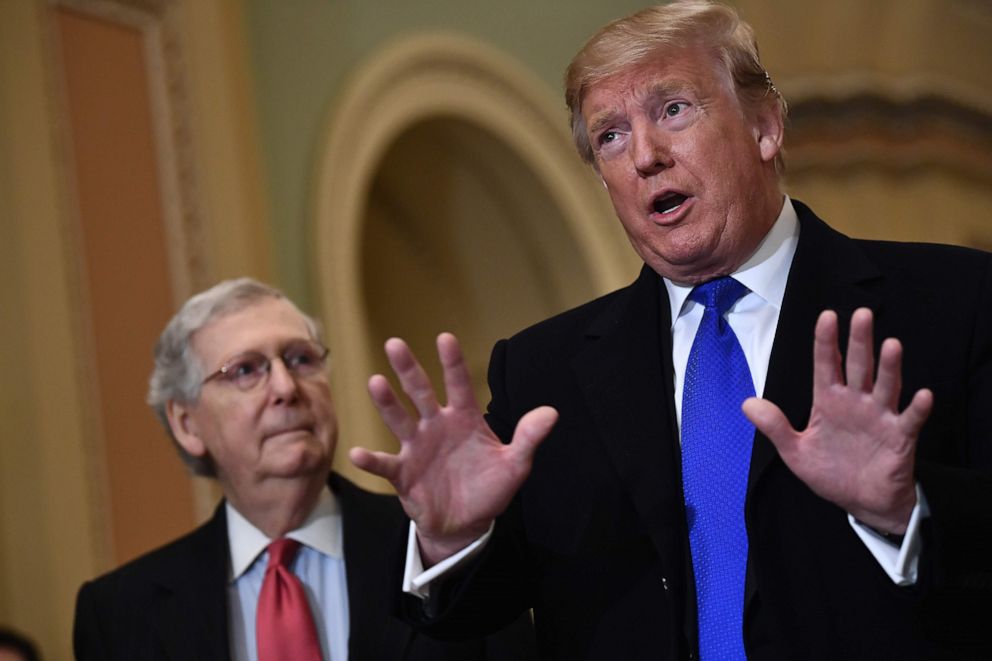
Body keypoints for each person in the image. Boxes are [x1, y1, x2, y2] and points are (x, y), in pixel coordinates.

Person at [350, 2, 992, 659]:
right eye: (611, 136)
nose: (646, 157)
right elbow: (474, 615)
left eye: (673, 109)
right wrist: (452, 537)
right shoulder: (543, 373)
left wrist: (904, 511)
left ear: (765, 125)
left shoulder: (957, 303)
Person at [72, 278, 537, 661]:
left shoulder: (437, 548)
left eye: (300, 359)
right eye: (245, 370)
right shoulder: (119, 611)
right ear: (186, 422)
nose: (285, 387)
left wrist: (455, 545)